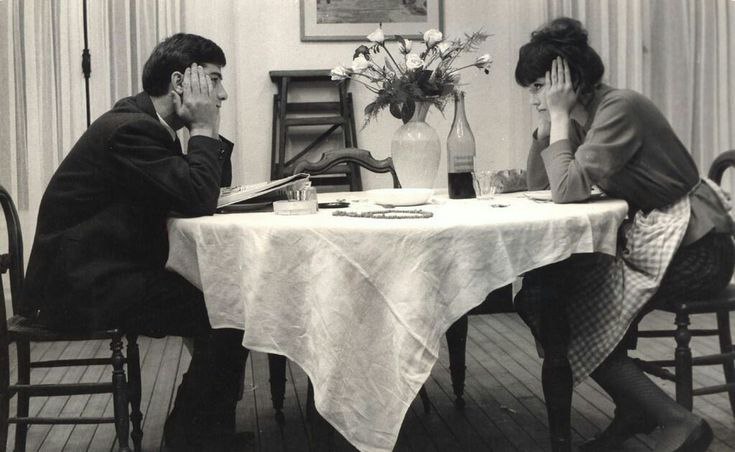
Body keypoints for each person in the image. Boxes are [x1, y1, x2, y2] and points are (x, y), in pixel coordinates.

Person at [513, 17, 735, 452]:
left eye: (540, 86)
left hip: (698, 251)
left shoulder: (619, 109)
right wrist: (547, 130)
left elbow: (566, 190)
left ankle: (678, 421)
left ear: (570, 80)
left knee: (560, 305)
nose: (535, 98)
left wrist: (556, 116)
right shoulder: (582, 117)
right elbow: (541, 186)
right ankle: (635, 409)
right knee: (543, 296)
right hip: (661, 243)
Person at [22, 33, 249, 451]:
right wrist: (203, 127)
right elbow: (199, 199)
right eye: (214, 80)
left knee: (227, 303)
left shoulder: (147, 123)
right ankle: (191, 441)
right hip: (80, 286)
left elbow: (199, 192)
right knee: (229, 310)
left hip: (104, 271)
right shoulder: (132, 129)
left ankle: (204, 433)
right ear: (180, 82)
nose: (222, 94)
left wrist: (202, 134)